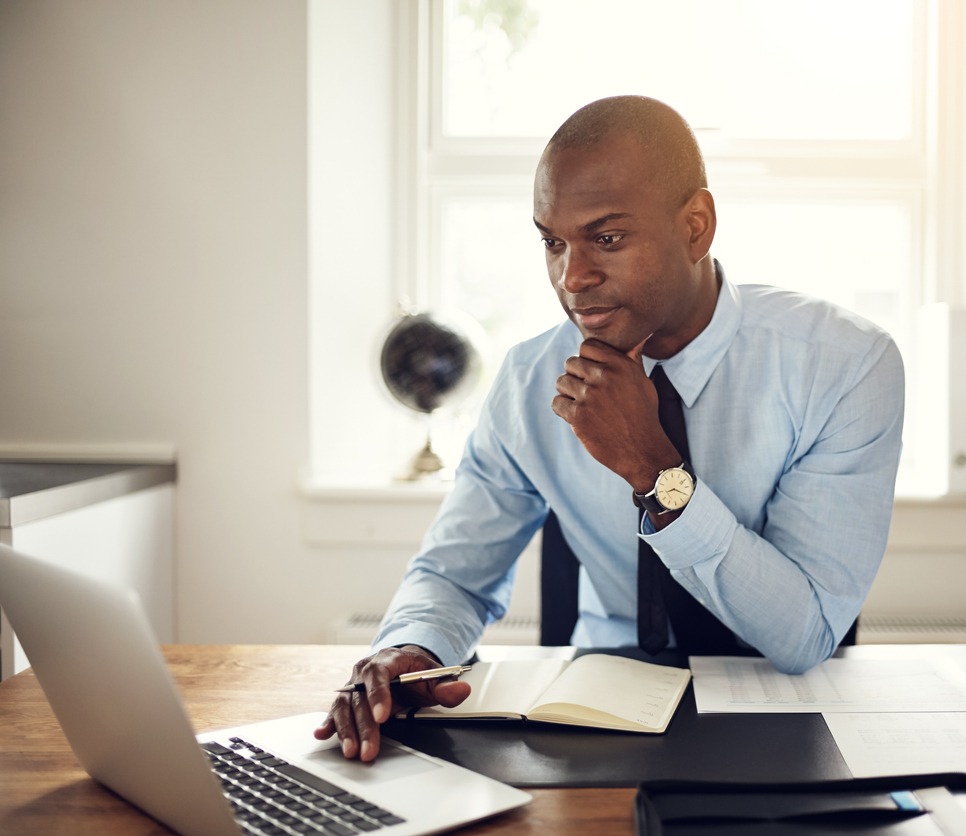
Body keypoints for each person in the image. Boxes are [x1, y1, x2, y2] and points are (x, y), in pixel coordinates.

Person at [316, 95, 905, 762]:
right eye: (552, 242)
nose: (572, 277)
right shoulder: (527, 381)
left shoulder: (845, 365)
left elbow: (802, 637)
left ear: (696, 227)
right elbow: (456, 575)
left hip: (788, 717)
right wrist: (410, 650)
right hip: (592, 717)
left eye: (606, 238)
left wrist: (656, 474)